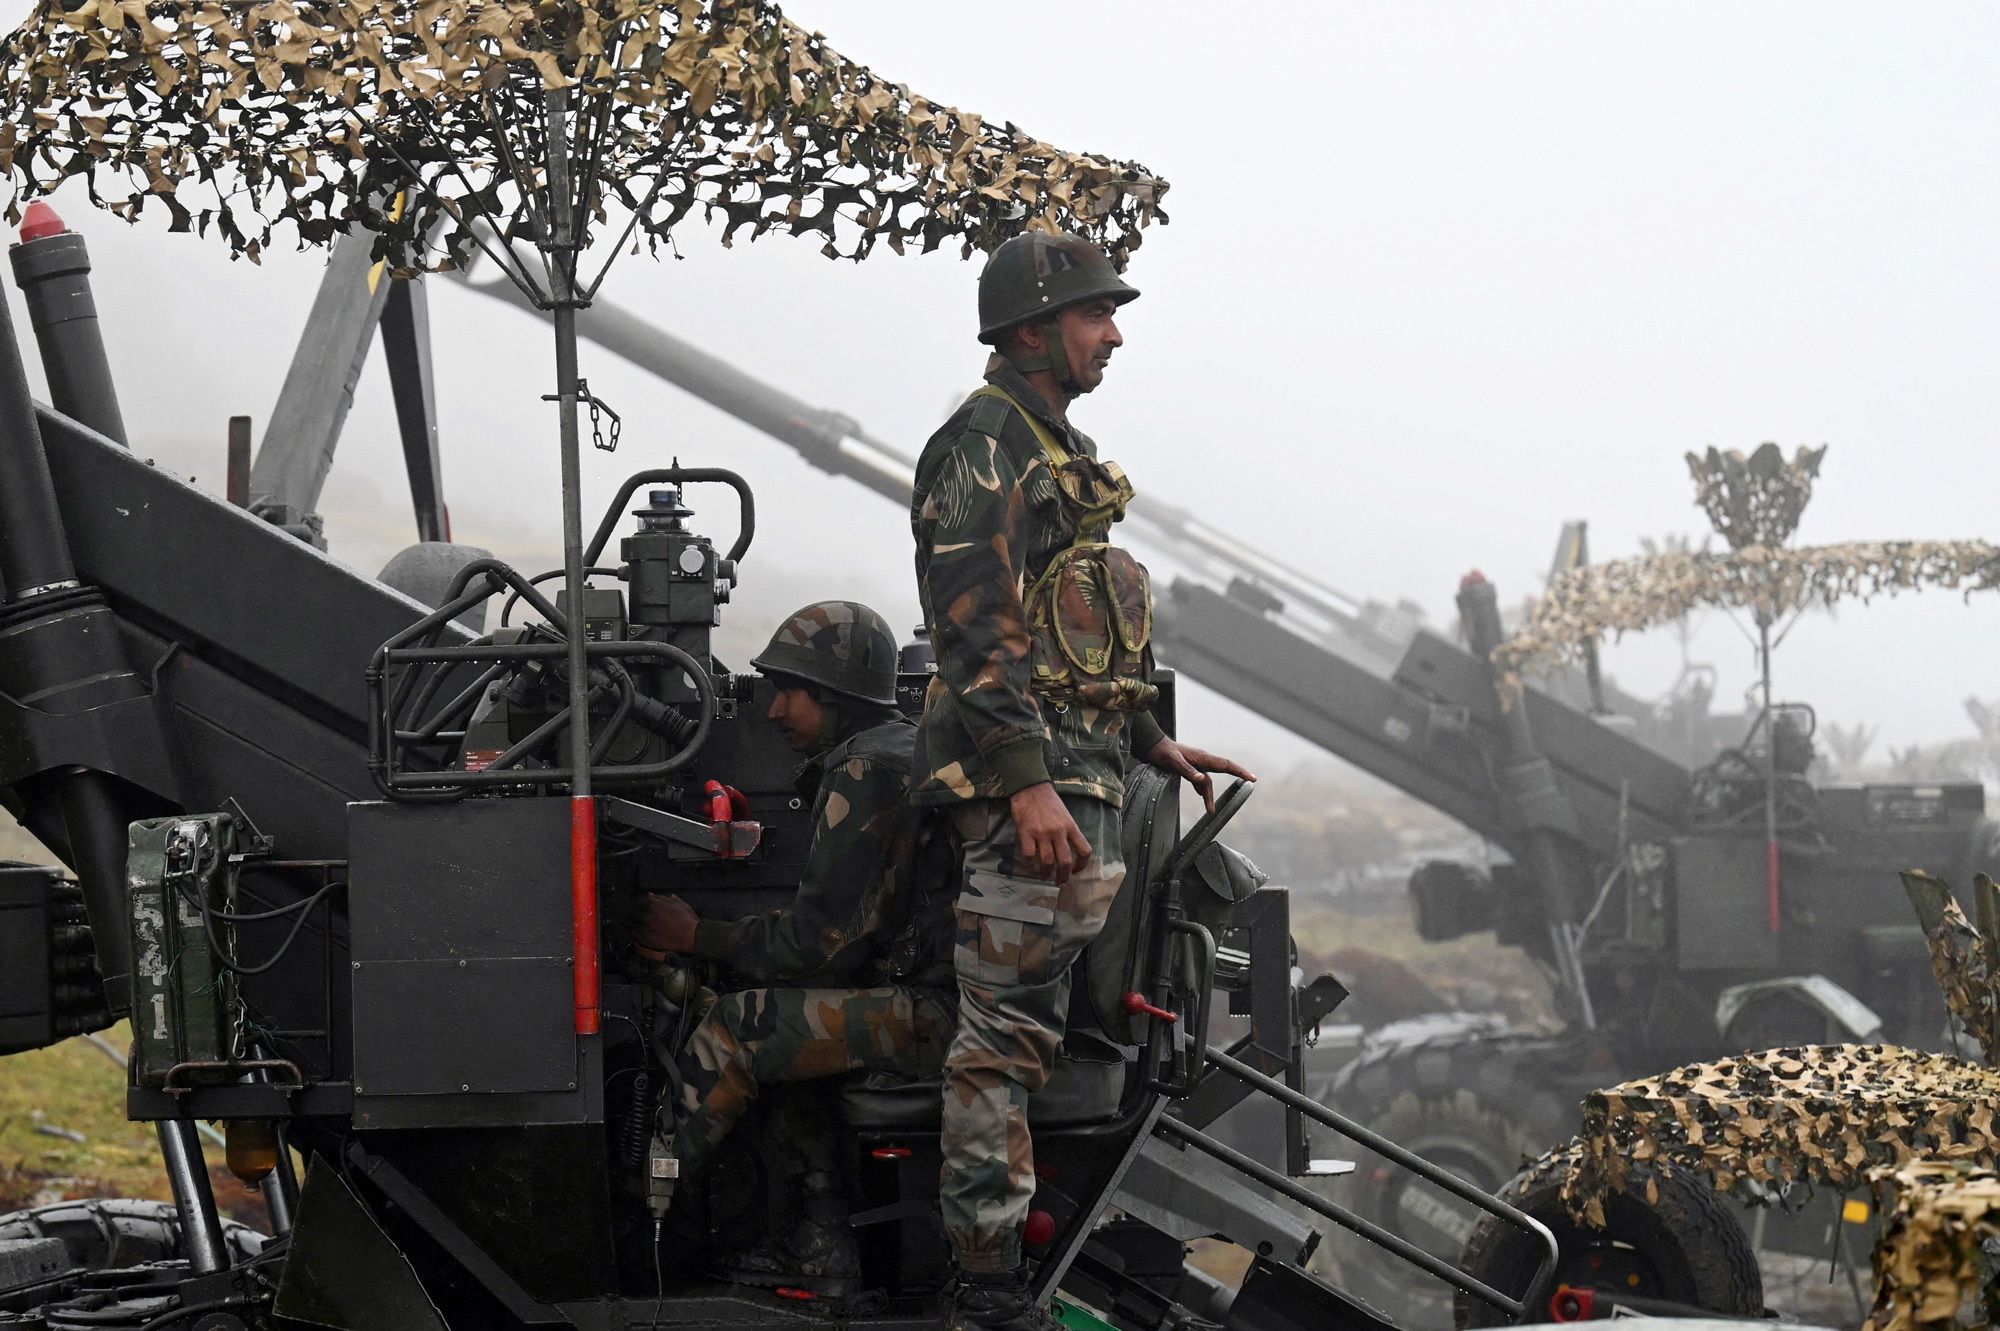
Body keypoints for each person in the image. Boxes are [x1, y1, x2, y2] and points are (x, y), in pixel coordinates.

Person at [910, 231, 1255, 1331]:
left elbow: (1077, 619)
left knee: (1047, 1032)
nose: (1113, 334)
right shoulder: (983, 444)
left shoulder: (1057, 445)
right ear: (1031, 330)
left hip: (1080, 780)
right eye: (1095, 314)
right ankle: (982, 1279)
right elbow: (976, 629)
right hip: (1035, 797)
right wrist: (1024, 785)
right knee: (1002, 1039)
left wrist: (1147, 733)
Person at [634, 599, 954, 1292]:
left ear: (836, 697)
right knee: (777, 1013)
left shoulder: (865, 771)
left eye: (790, 691)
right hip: (941, 1004)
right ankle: (816, 1241)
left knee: (735, 1027)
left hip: (938, 1017)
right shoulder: (896, 750)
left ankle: (645, 1233)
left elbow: (817, 946)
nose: (774, 710)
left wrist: (695, 935)